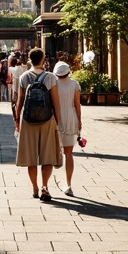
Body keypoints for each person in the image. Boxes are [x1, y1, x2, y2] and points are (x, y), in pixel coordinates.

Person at [14, 48, 63, 201]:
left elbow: (19, 101)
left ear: (29, 59)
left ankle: (34, 187)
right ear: (43, 59)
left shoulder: (24, 76)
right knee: (47, 155)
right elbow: (56, 102)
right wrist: (58, 121)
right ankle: (45, 187)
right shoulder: (50, 77)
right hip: (47, 119)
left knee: (31, 157)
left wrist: (17, 121)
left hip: (28, 120)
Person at [53, 60, 82, 196]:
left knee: (51, 151)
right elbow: (77, 104)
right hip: (71, 118)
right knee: (69, 153)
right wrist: (79, 121)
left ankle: (46, 184)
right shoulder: (74, 84)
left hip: (56, 119)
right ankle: (68, 184)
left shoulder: (54, 84)